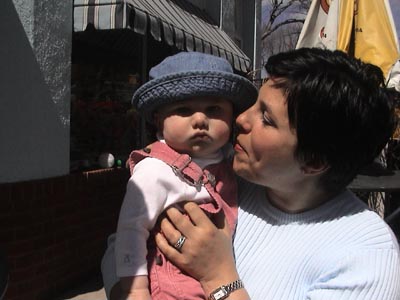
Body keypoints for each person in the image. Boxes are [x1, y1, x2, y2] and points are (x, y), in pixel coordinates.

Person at [103, 48, 400, 300]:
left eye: (266, 119)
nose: (241, 119)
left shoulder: (366, 256)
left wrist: (220, 278)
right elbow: (121, 240)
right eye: (253, 105)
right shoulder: (229, 178)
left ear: (314, 161)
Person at [113, 51, 257, 300]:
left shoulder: (230, 162)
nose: (200, 119)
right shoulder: (156, 170)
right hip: (169, 285)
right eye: (184, 109)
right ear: (159, 121)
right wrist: (135, 289)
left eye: (214, 109)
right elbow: (131, 229)